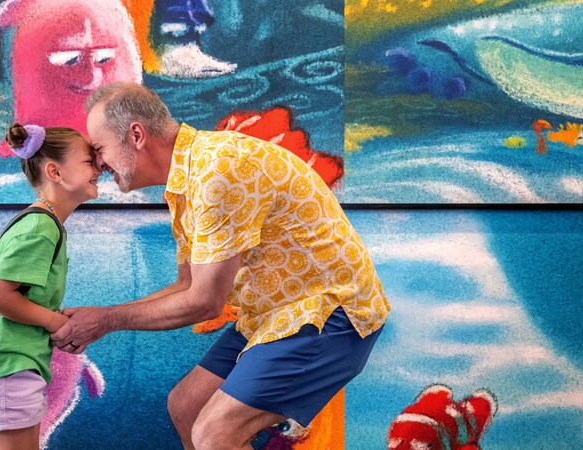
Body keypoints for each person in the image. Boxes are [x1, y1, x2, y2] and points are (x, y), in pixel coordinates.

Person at [52, 82, 390, 449]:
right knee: (187, 407)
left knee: (214, 433)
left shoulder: (218, 170)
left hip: (330, 315)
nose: (98, 163)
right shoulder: (187, 180)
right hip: (275, 317)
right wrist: (100, 316)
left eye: (100, 148)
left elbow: (205, 302)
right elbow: (187, 286)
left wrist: (105, 321)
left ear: (136, 135)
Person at [0, 123, 101, 450]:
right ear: (55, 171)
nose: (100, 168)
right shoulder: (40, 227)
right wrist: (56, 322)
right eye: (89, 161)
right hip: (4, 367)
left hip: (6, 367)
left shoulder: (40, 223)